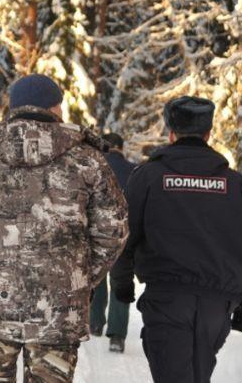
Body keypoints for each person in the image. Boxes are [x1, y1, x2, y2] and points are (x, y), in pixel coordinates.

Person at [0, 74, 129, 383]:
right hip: (59, 307)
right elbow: (113, 229)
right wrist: (78, 276)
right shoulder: (87, 158)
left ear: (13, 107)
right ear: (55, 108)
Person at [110, 96, 242, 383]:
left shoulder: (148, 177)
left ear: (171, 132)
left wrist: (121, 283)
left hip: (167, 300)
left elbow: (123, 235)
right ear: (208, 133)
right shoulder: (235, 184)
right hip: (217, 308)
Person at [89, 132, 136, 353]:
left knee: (98, 277)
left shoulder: (93, 167)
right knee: (120, 279)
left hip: (96, 232)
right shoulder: (134, 171)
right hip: (123, 233)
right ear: (121, 147)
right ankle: (117, 335)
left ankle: (96, 322)